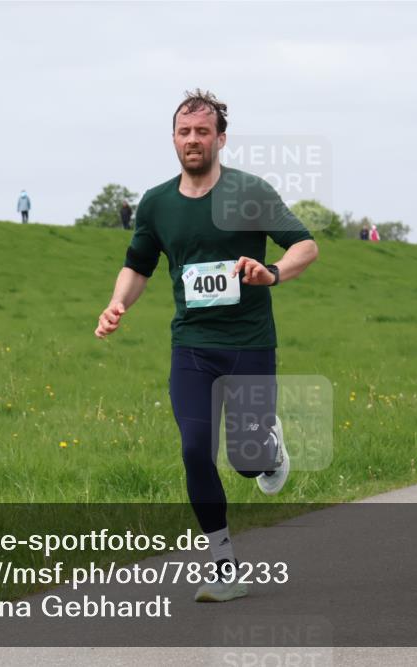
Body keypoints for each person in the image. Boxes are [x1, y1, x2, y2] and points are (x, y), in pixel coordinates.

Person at [94, 89, 319, 603]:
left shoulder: (250, 191)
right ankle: (223, 566)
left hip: (250, 345)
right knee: (196, 450)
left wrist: (274, 273)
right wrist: (117, 304)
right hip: (191, 347)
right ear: (173, 138)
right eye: (183, 131)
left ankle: (269, 452)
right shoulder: (155, 203)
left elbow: (307, 244)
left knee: (243, 459)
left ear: (220, 138)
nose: (192, 139)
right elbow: (138, 265)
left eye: (202, 131)